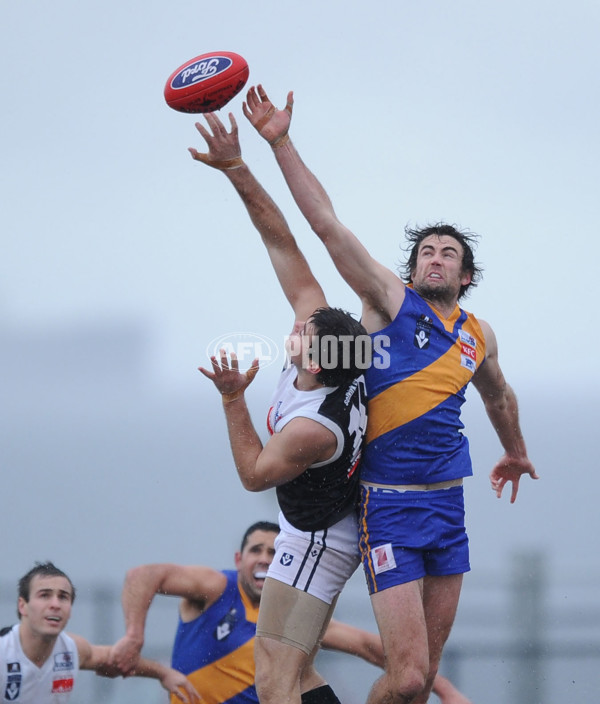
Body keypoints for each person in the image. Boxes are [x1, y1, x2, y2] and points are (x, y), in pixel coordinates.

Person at [241, 85, 539, 704]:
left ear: (466, 276)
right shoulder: (388, 305)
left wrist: (513, 449)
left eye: (447, 254)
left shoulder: (476, 336)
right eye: (425, 251)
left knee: (420, 682)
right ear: (410, 269)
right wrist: (280, 142)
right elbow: (324, 226)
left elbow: (500, 396)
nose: (435, 259)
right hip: (389, 507)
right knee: (402, 675)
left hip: (448, 508)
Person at [191, 110, 369, 704]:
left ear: (315, 360)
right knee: (293, 672)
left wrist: (233, 400)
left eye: (304, 328)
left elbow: (252, 475)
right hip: (308, 526)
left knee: (274, 682)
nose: (296, 321)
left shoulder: (311, 429)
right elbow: (280, 239)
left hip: (322, 536)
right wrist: (237, 167)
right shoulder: (328, 355)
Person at [109, 521, 473, 704]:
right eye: (256, 551)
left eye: (274, 552)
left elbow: (369, 646)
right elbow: (143, 576)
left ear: (287, 562)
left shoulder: (292, 618)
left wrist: (447, 692)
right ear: (239, 559)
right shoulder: (216, 588)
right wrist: (133, 635)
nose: (265, 559)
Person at [0, 561, 199, 703]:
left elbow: (118, 660)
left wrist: (164, 673)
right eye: (44, 595)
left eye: (63, 597)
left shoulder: (71, 650)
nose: (55, 604)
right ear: (22, 606)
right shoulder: (4, 653)